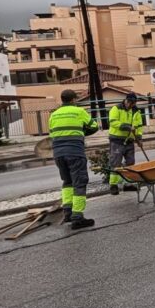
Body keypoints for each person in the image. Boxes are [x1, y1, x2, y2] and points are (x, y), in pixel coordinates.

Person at [49, 89, 99, 229]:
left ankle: (68, 213)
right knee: (79, 182)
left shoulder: (54, 114)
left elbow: (52, 133)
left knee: (67, 182)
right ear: (73, 100)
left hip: (58, 153)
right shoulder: (79, 111)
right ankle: (78, 217)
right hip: (74, 152)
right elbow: (94, 126)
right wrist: (82, 132)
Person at [108, 93, 143, 195]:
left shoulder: (136, 111)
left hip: (129, 141)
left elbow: (139, 126)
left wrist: (139, 138)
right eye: (129, 102)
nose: (130, 105)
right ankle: (113, 185)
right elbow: (113, 122)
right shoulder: (116, 109)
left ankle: (127, 184)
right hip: (117, 141)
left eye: (132, 103)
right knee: (116, 163)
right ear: (126, 100)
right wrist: (127, 127)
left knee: (130, 163)